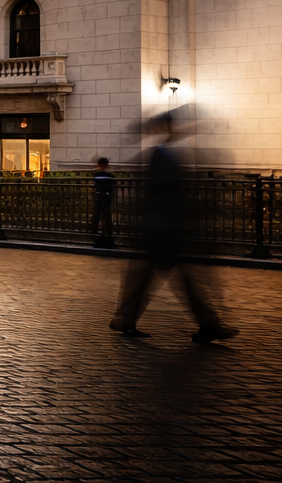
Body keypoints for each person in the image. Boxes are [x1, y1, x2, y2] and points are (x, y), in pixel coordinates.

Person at [110, 112, 237, 344]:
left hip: (164, 228)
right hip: (162, 228)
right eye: (175, 124)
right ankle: (208, 325)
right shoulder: (160, 155)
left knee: (163, 278)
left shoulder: (166, 154)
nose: (181, 128)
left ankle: (126, 320)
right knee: (177, 279)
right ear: (166, 127)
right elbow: (162, 191)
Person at [92, 156, 116, 248]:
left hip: (98, 197)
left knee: (97, 215)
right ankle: (109, 234)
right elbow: (113, 183)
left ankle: (94, 234)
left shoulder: (97, 175)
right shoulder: (109, 176)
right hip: (107, 197)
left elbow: (95, 185)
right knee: (107, 216)